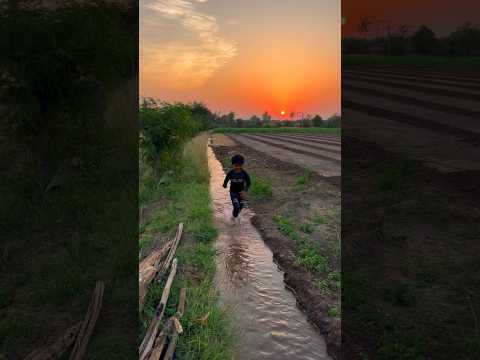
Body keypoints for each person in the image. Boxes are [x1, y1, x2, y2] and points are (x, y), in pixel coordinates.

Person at [223, 154, 251, 221]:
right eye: (236, 166)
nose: (238, 167)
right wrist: (225, 185)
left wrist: (244, 191)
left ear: (242, 165)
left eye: (240, 166)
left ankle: (235, 216)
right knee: (236, 206)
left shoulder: (244, 173)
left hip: (241, 193)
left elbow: (249, 183)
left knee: (241, 207)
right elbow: (226, 179)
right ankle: (234, 219)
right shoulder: (230, 173)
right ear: (233, 165)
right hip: (233, 193)